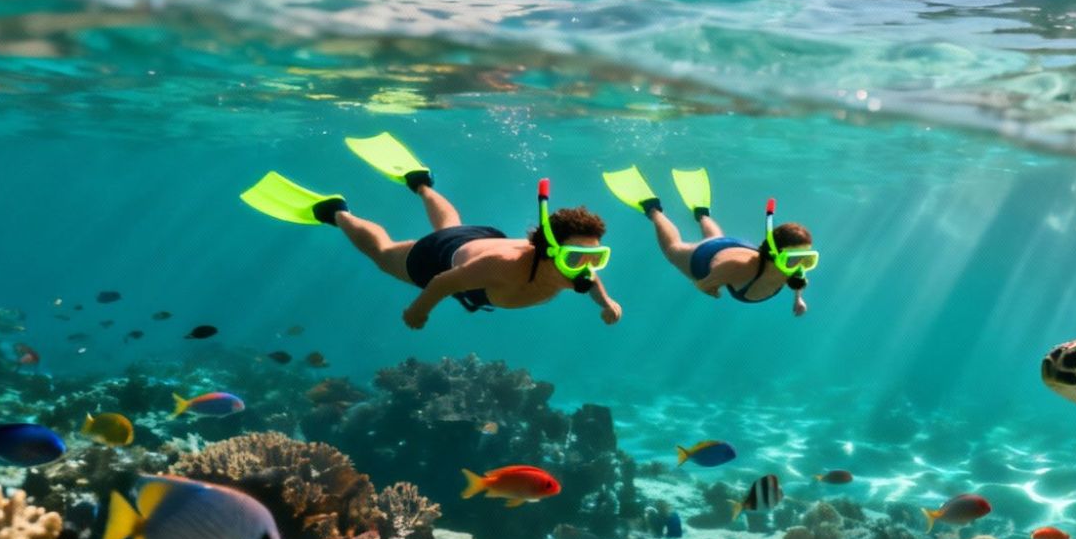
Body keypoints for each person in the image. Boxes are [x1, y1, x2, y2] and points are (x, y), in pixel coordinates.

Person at [241, 133, 622, 329]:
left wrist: (608, 305)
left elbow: (591, 283)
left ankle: (421, 183)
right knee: (384, 255)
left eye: (596, 257)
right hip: (444, 256)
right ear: (549, 252)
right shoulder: (502, 267)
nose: (587, 267)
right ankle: (335, 212)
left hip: (477, 236)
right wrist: (418, 311)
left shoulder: (579, 272)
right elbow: (441, 283)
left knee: (453, 226)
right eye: (577, 257)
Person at [602, 166, 815, 315]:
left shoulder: (794, 271)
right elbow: (701, 284)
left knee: (717, 238)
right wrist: (710, 289)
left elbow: (797, 280)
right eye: (794, 260)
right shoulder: (737, 269)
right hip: (707, 258)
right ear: (775, 255)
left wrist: (798, 299)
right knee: (673, 249)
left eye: (808, 259)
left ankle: (702, 213)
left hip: (733, 245)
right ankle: (652, 208)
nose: (801, 267)